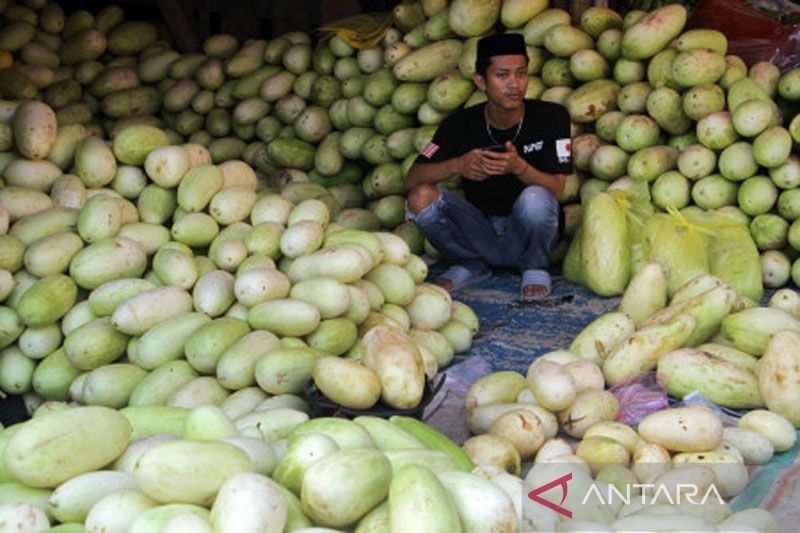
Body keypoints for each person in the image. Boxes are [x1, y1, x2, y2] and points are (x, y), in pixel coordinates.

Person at [404, 32, 573, 301]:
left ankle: (534, 266)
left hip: (527, 232)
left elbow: (558, 189)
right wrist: (458, 165)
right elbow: (411, 179)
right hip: (478, 231)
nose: (515, 84)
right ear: (481, 80)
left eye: (521, 73)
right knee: (420, 197)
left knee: (536, 197)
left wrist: (520, 168)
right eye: (503, 75)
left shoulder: (552, 117)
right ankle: (470, 265)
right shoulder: (459, 125)